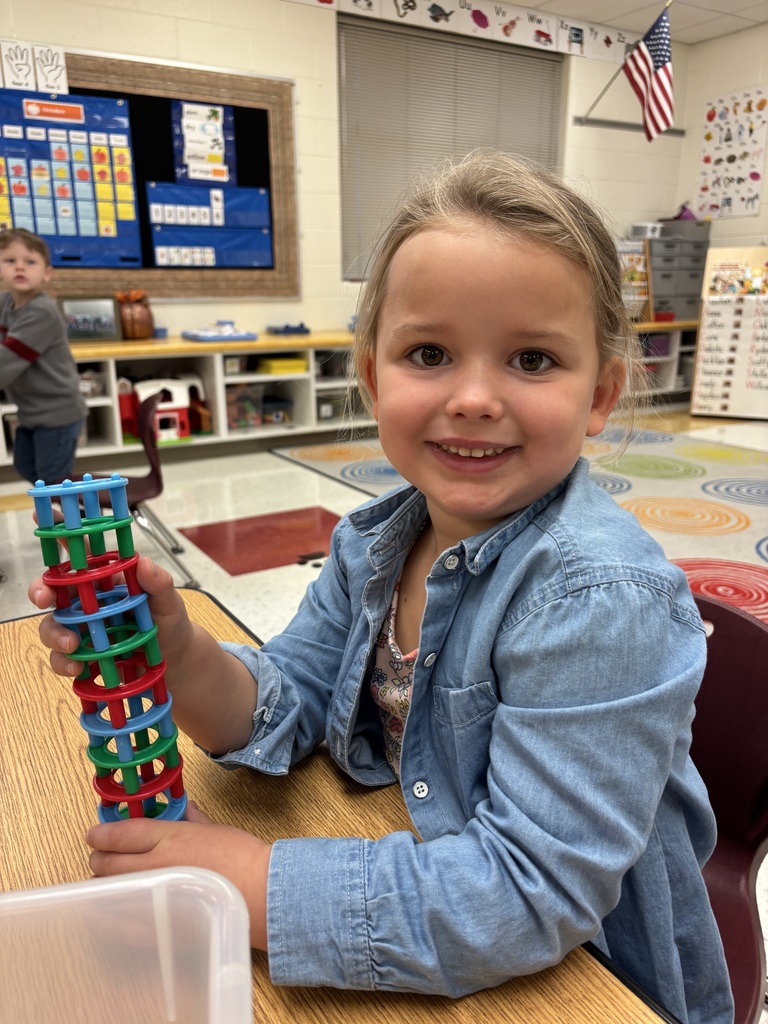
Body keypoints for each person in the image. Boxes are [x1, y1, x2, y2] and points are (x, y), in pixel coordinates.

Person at [29, 151, 733, 1023]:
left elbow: (528, 895)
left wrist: (255, 882)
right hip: (436, 911)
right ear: (372, 377)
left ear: (602, 394)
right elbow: (290, 696)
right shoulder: (376, 541)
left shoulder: (595, 599)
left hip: (600, 981)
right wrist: (175, 650)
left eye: (533, 359)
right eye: (430, 353)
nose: (474, 397)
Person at [0, 227, 86, 485]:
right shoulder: (5, 303)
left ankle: (73, 521)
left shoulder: (41, 311)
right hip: (32, 413)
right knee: (26, 466)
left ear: (47, 273)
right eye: (10, 261)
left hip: (58, 414)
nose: (20, 268)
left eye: (30, 262)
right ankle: (68, 510)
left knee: (52, 481)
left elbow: (5, 364)